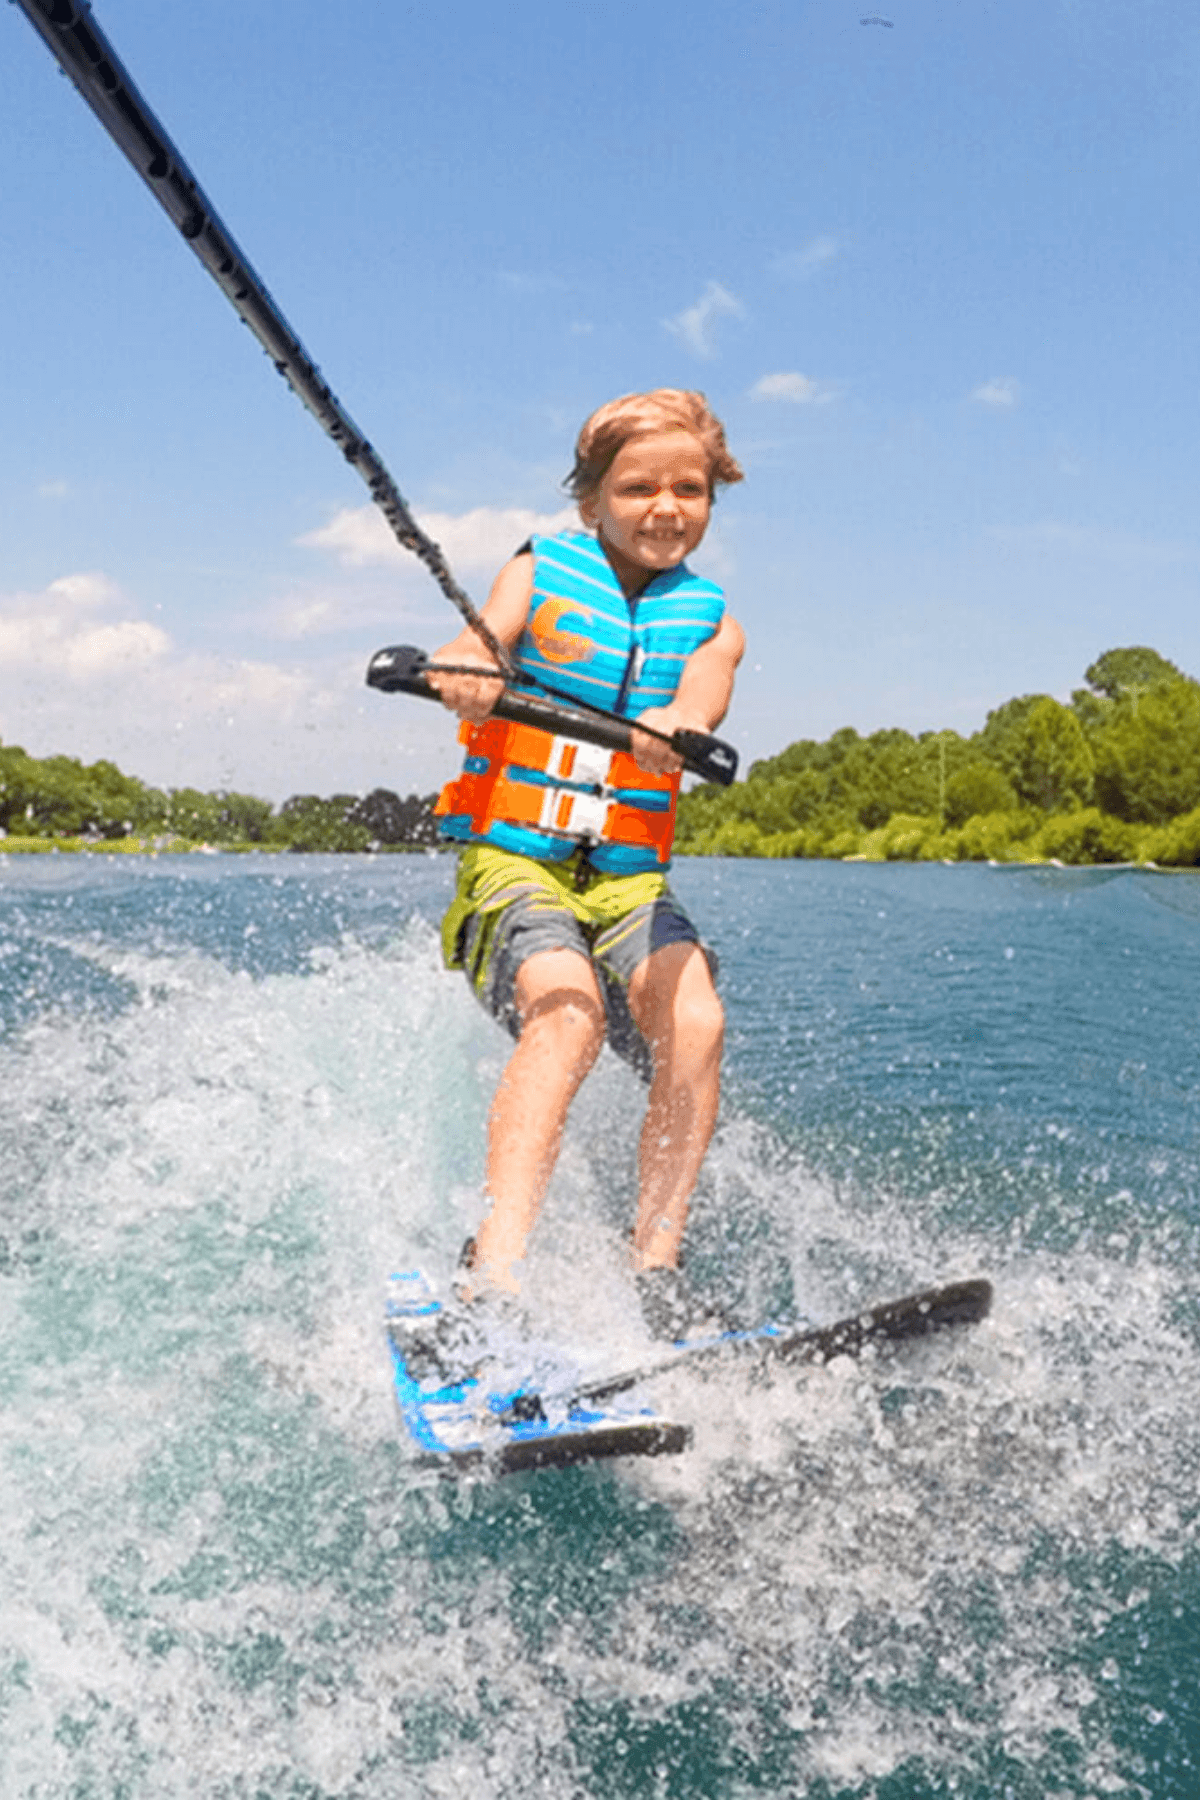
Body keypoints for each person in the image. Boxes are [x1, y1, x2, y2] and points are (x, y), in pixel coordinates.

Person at [425, 388, 745, 1345]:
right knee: (569, 1013)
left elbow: (702, 691)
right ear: (591, 499)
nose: (665, 506)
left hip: (627, 883)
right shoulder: (539, 566)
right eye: (638, 486)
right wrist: (465, 668)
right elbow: (481, 638)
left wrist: (679, 729)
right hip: (517, 866)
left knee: (697, 1020)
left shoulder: (714, 619)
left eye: (689, 488)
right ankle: (496, 1271)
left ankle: (656, 1268)